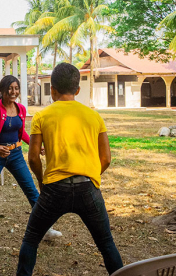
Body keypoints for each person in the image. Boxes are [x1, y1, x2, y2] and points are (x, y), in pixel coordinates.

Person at [16, 63, 123, 275]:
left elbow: (34, 158)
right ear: (77, 90)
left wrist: (41, 180)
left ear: (52, 89)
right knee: (106, 243)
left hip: (54, 188)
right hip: (88, 189)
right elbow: (106, 158)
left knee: (31, 239)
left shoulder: (42, 116)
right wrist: (91, 174)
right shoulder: (94, 116)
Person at [0, 75, 62, 241]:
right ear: (2, 90)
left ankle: (46, 228)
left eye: (16, 88)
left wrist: (36, 146)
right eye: (10, 88)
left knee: (31, 191)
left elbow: (21, 133)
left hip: (15, 155)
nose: (13, 91)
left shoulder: (21, 109)